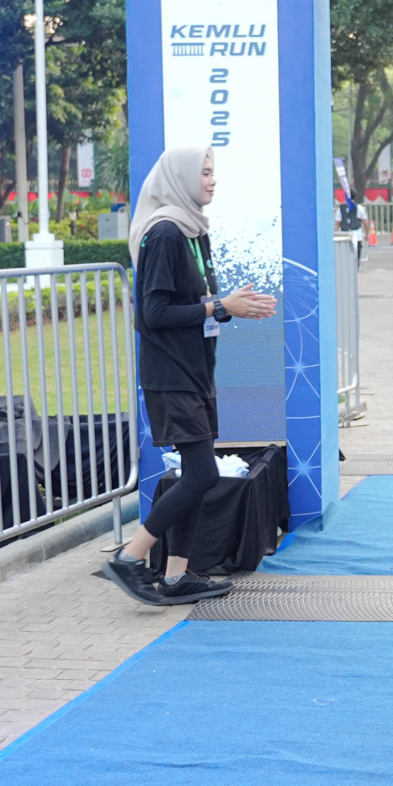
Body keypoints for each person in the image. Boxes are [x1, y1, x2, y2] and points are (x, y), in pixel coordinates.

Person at [102, 146, 276, 606]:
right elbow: (154, 314)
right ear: (180, 178)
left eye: (212, 172)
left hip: (196, 371)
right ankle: (130, 557)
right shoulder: (164, 233)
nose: (212, 181)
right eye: (204, 173)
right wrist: (219, 306)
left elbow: (197, 306)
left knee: (196, 474)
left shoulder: (194, 231)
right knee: (201, 474)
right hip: (171, 374)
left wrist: (230, 308)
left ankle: (177, 575)